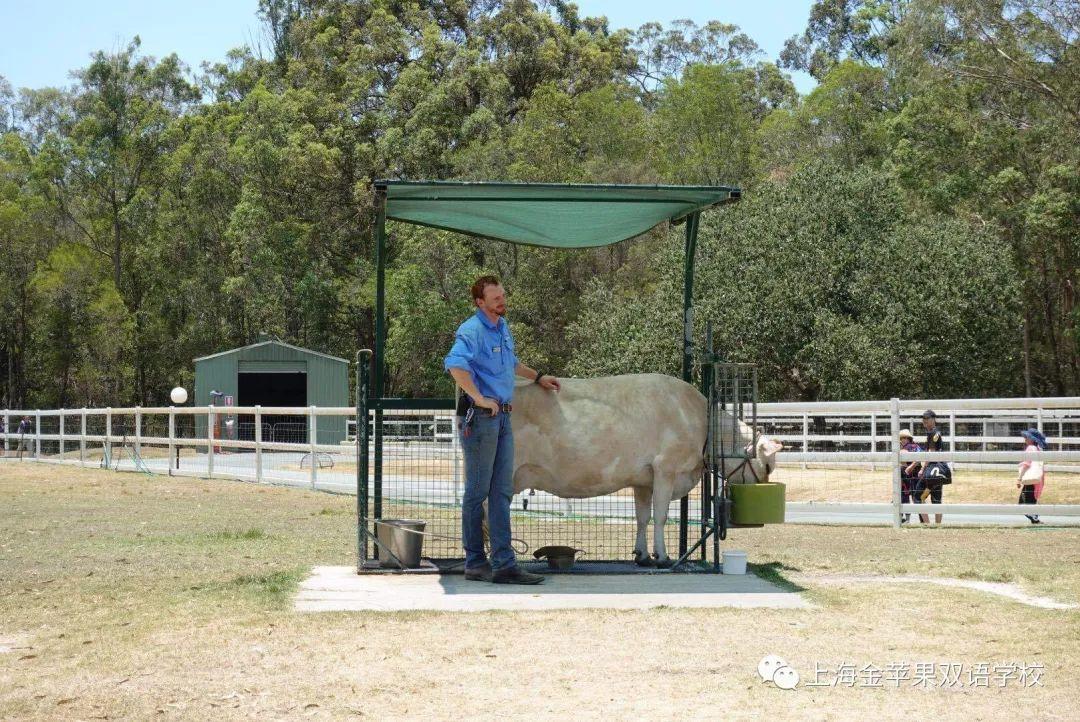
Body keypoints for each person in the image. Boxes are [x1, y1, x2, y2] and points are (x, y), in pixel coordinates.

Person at [444, 275, 560, 585]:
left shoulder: (501, 328)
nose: (501, 301)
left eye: (502, 296)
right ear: (480, 302)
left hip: (503, 419)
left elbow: (511, 364)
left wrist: (538, 377)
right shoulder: (472, 330)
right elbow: (455, 365)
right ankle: (476, 561)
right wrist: (479, 398)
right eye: (495, 298)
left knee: (502, 492)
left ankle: (504, 564)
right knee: (477, 492)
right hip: (481, 418)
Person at [916, 410, 949, 524]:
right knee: (936, 499)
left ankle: (927, 524)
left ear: (933, 419)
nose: (924, 420)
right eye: (923, 418)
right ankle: (938, 526)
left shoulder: (932, 433)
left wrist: (922, 468)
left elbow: (931, 452)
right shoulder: (937, 432)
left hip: (931, 470)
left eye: (927, 418)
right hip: (938, 471)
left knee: (918, 496)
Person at [1017, 428, 1047, 525]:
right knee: (1030, 500)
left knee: (1023, 503)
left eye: (1027, 437)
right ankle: (1035, 519)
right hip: (1036, 480)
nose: (1025, 439)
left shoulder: (1030, 448)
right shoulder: (1039, 449)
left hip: (1029, 479)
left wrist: (1019, 478)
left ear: (1032, 439)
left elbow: (1026, 464)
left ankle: (1035, 519)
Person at [899, 429, 922, 524]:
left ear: (908, 438)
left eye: (905, 438)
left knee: (905, 495)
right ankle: (920, 520)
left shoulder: (905, 448)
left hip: (907, 475)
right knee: (913, 497)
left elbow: (902, 462)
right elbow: (920, 456)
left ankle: (904, 519)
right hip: (914, 475)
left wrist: (910, 466)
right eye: (901, 438)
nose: (903, 439)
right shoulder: (916, 446)